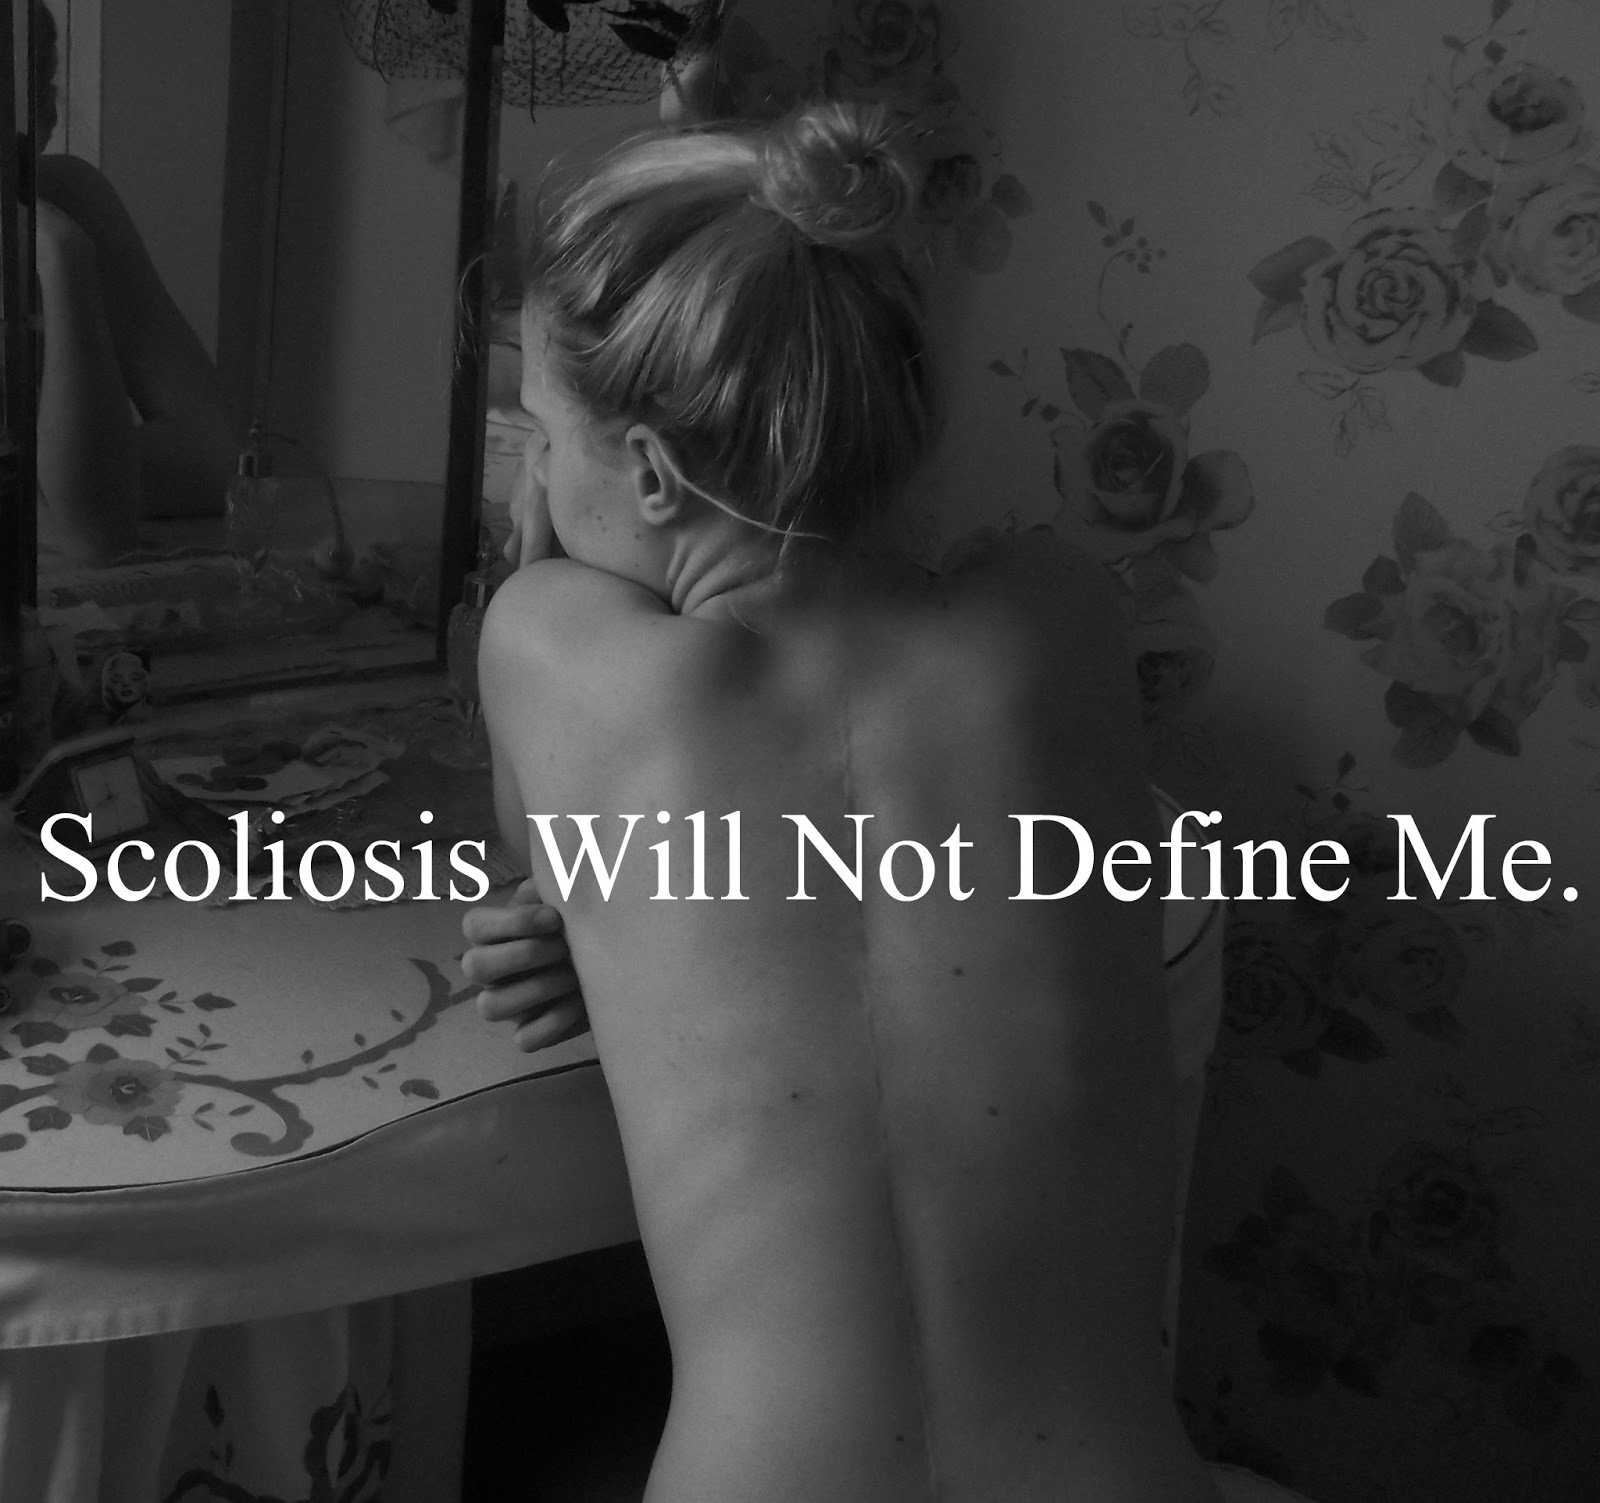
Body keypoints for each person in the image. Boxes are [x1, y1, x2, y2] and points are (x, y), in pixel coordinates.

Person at [464, 100, 1227, 1501]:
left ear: (649, 472)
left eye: (543, 435)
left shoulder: (549, 645)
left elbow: (552, 867)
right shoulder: (1060, 616)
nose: (539, 471)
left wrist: (535, 557)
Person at [31, 2, 244, 564]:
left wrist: (63, 256)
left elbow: (216, 455)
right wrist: (71, 487)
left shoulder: (68, 202)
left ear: (45, 116)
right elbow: (92, 529)